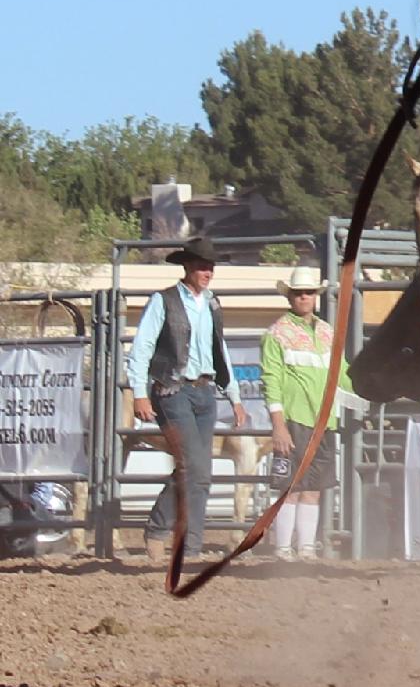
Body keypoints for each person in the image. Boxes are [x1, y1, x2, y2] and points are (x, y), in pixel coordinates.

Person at [126, 238, 247, 561]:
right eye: (203, 265)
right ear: (188, 266)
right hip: (172, 390)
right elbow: (142, 348)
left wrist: (233, 395)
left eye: (211, 266)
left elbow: (219, 350)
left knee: (201, 471)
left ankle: (190, 546)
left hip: (205, 391)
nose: (208, 271)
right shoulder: (163, 301)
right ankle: (159, 528)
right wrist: (139, 392)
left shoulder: (211, 304)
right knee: (192, 464)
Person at [259, 266, 356, 562]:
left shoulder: (328, 332)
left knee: (313, 487)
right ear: (290, 296)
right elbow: (270, 380)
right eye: (299, 293)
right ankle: (285, 547)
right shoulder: (276, 334)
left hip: (324, 422)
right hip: (295, 420)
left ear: (316, 296)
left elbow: (343, 375)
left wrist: (363, 395)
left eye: (309, 293)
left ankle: (305, 547)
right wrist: (279, 426)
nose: (304, 297)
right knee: (293, 486)